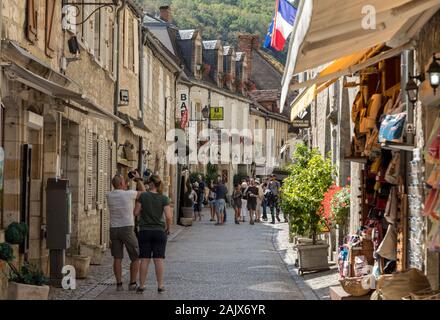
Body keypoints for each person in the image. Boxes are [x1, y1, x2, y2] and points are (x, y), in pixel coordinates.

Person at [134, 175, 173, 294]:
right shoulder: (164, 198)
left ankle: (141, 285)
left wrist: (141, 210)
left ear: (150, 184)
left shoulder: (143, 196)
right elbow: (168, 216)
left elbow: (135, 213)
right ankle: (160, 285)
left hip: (145, 231)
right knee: (159, 259)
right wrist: (168, 228)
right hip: (159, 231)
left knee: (144, 259)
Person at [106, 173, 145, 292]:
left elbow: (120, 186)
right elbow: (143, 193)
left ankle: (119, 284)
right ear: (123, 184)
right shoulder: (128, 194)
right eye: (124, 182)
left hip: (114, 229)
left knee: (117, 258)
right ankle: (132, 283)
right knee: (136, 257)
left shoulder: (109, 195)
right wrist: (138, 179)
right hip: (127, 228)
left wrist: (127, 179)